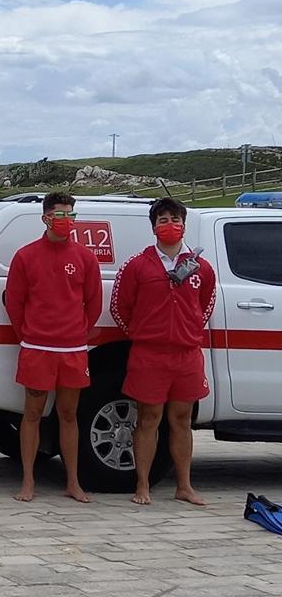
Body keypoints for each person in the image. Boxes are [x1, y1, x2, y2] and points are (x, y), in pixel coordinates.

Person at [111, 197, 215, 506]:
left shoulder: (201, 267)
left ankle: (184, 485)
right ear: (154, 227)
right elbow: (120, 308)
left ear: (184, 224)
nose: (169, 225)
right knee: (148, 418)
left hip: (186, 354)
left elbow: (206, 303)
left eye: (174, 219)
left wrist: (189, 331)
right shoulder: (138, 265)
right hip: (149, 354)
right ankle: (142, 485)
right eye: (163, 220)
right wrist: (144, 335)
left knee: (182, 419)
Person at [5, 192, 102, 503]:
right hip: (36, 347)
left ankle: (73, 482)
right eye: (59, 215)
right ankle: (28, 481)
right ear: (45, 217)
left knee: (69, 414)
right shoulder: (25, 256)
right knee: (32, 414)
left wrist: (76, 334)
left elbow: (94, 303)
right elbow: (15, 302)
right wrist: (29, 334)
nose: (66, 221)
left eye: (70, 215)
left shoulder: (85, 257)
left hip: (72, 350)